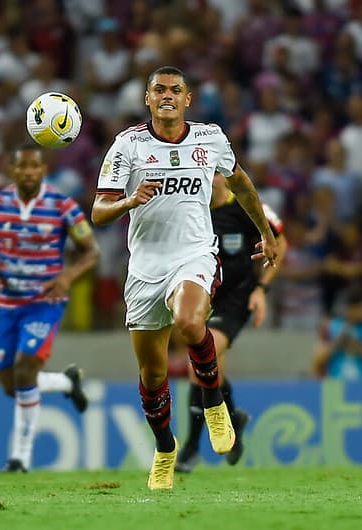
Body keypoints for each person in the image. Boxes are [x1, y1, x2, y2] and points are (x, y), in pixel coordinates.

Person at [91, 66, 279, 490]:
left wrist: (266, 234)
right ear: (148, 98)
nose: (168, 95)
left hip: (194, 252)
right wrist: (128, 201)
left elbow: (243, 186)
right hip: (145, 266)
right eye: (159, 90)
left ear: (188, 99)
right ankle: (164, 448)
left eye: (176, 89)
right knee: (153, 374)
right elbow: (98, 211)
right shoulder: (128, 145)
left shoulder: (210, 138)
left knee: (191, 323)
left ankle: (215, 406)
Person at [0, 145, 100, 473]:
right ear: (13, 170)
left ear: (43, 170)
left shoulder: (62, 205)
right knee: (8, 382)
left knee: (25, 369)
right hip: (9, 302)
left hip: (45, 302)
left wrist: (68, 276)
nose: (29, 172)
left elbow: (91, 252)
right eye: (22, 167)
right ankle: (65, 383)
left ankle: (20, 457)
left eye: (34, 167)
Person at [176, 172, 288, 473]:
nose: (209, 181)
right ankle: (233, 419)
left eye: (214, 174)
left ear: (225, 178)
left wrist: (262, 289)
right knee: (212, 369)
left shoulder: (246, 207)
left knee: (198, 364)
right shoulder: (190, 208)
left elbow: (280, 242)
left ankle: (190, 449)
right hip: (203, 295)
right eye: (203, 174)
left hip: (237, 297)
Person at [312, 286, 362, 380]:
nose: (356, 313)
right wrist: (337, 343)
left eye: (359, 308)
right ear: (346, 308)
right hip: (335, 386)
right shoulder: (330, 327)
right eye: (352, 309)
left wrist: (360, 348)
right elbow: (317, 361)